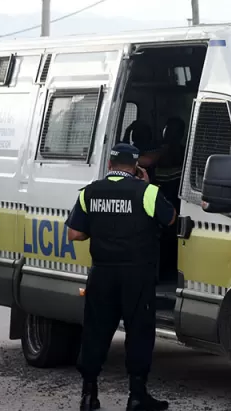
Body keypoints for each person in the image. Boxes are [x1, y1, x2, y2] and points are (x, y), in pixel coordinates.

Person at [65, 143, 177, 411]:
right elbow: (171, 219)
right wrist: (149, 186)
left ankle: (89, 395)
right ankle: (137, 396)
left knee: (95, 331)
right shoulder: (147, 192)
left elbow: (75, 234)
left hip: (102, 273)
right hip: (137, 276)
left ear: (109, 165)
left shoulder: (90, 193)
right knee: (139, 332)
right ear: (137, 167)